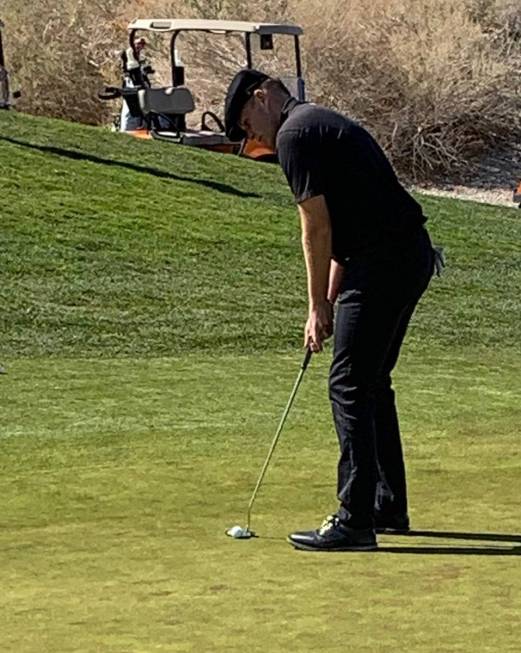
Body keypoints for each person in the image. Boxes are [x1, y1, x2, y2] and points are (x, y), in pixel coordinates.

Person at [224, 69, 437, 552]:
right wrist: (330, 298)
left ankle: (356, 518)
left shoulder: (295, 135)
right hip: (403, 256)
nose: (252, 135)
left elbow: (316, 230)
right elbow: (345, 235)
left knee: (348, 384)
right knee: (370, 381)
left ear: (262, 97)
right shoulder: (316, 125)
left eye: (247, 121)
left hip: (385, 263)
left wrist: (317, 305)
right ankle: (387, 506)